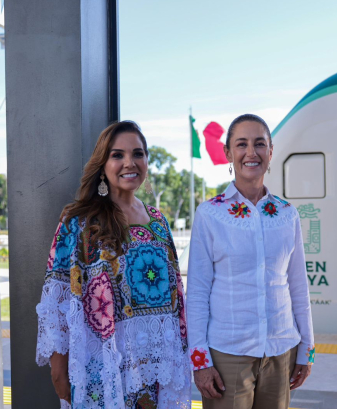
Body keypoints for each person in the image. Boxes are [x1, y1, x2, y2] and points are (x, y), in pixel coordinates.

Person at [35, 121, 191, 408]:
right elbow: (58, 298)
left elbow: (175, 296)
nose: (129, 163)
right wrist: (59, 368)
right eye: (117, 155)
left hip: (157, 370)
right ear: (103, 165)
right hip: (104, 370)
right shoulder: (79, 223)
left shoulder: (159, 222)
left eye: (138, 154)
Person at [187, 114, 315, 409]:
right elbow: (196, 293)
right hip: (227, 355)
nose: (251, 152)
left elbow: (298, 286)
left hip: (282, 351)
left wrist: (306, 349)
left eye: (260, 144)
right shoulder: (210, 214)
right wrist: (200, 360)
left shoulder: (287, 214)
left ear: (271, 152)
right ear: (228, 154)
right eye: (241, 144)